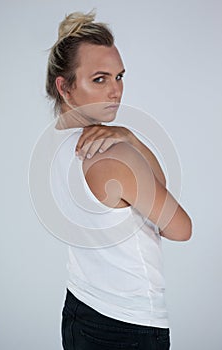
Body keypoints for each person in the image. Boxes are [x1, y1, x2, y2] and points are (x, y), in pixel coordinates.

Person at [46, 10, 192, 350]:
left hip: (78, 311)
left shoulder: (55, 142)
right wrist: (127, 143)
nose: (115, 91)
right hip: (128, 327)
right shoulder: (113, 157)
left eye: (119, 76)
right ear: (64, 86)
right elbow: (180, 228)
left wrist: (128, 135)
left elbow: (157, 188)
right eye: (100, 79)